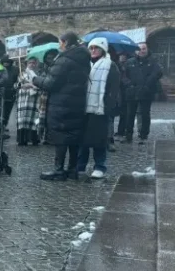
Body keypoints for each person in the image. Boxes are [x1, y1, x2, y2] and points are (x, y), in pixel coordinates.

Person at [33, 32, 91, 181]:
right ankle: (72, 169)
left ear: (66, 42)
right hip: (77, 103)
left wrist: (34, 79)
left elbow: (50, 84)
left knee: (61, 136)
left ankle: (58, 170)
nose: (60, 46)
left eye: (60, 43)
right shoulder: (83, 58)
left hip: (61, 104)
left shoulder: (65, 60)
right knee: (74, 136)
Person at [78, 38, 120, 179]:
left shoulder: (110, 65)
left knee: (99, 140)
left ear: (103, 50)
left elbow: (114, 88)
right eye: (91, 48)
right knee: (82, 140)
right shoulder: (85, 64)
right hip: (84, 107)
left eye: (96, 48)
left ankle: (100, 166)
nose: (93, 50)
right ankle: (80, 166)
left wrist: (108, 106)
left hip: (100, 107)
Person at [121, 42, 162, 144]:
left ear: (147, 49)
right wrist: (129, 84)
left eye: (143, 49)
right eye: (139, 49)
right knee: (130, 114)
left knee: (145, 114)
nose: (141, 51)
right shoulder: (129, 62)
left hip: (146, 92)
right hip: (132, 92)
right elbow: (123, 75)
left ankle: (143, 135)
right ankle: (128, 135)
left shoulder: (153, 62)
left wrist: (147, 85)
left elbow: (157, 74)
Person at [16, 57, 42, 146]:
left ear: (36, 64)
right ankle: (22, 139)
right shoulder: (22, 73)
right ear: (27, 64)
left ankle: (34, 138)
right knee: (23, 119)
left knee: (34, 119)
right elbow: (17, 85)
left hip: (34, 99)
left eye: (33, 63)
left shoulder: (38, 74)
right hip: (23, 99)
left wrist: (32, 85)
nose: (32, 64)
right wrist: (23, 84)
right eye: (30, 63)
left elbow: (41, 84)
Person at [0, 54, 20, 132]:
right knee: (1, 110)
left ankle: (4, 124)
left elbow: (18, 80)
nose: (6, 63)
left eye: (7, 62)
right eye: (4, 62)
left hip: (11, 92)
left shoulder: (15, 69)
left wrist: (16, 85)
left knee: (7, 110)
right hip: (1, 92)